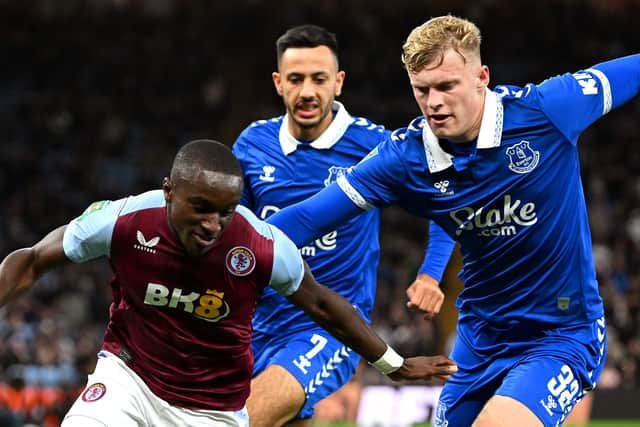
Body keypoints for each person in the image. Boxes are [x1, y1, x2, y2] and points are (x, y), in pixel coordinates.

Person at [266, 15, 640, 427]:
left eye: (446, 86)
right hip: (478, 342)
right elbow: (306, 218)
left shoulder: (547, 110)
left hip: (561, 333)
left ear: (482, 76)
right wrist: (229, 241)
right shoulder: (404, 158)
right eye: (421, 90)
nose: (434, 103)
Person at [0, 139, 457, 427]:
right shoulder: (122, 221)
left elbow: (321, 304)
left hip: (212, 408)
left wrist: (394, 365)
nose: (213, 224)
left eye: (226, 210)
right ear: (169, 191)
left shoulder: (260, 245)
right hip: (128, 380)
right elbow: (32, 261)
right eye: (200, 207)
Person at [232, 24, 454, 427]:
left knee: (243, 420)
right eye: (296, 79)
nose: (307, 92)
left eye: (319, 79)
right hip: (255, 325)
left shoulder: (374, 145)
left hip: (329, 325)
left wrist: (430, 274)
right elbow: (237, 235)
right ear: (278, 83)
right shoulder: (252, 144)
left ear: (338, 82)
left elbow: (443, 202)